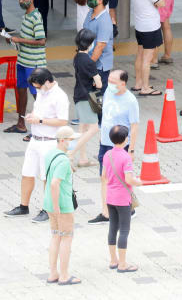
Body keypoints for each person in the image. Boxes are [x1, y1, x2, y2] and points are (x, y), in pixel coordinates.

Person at [4, 67, 70, 223]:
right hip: (35, 139)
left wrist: (40, 120)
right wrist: (33, 117)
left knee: (47, 177)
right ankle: (23, 206)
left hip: (50, 141)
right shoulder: (41, 92)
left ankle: (48, 209)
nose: (37, 89)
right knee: (27, 173)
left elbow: (63, 121)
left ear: (47, 82)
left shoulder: (60, 96)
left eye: (38, 86)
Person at [87, 70, 139, 228]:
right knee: (104, 177)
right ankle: (106, 212)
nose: (110, 83)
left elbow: (134, 126)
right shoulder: (109, 91)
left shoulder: (130, 101)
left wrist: (131, 151)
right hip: (105, 143)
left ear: (123, 83)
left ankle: (123, 208)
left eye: (113, 81)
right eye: (109, 80)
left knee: (120, 178)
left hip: (121, 145)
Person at [5, 0, 47, 135]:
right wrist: (13, 41)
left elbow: (41, 41)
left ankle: (42, 128)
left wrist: (19, 39)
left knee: (37, 95)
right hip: (23, 61)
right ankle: (21, 124)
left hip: (34, 63)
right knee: (21, 91)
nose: (21, 1)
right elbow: (26, 39)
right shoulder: (25, 16)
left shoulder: (36, 17)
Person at [102, 124, 142, 273]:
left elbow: (104, 176)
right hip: (123, 198)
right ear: (125, 139)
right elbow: (129, 179)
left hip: (110, 196)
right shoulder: (126, 157)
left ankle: (113, 260)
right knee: (124, 230)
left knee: (113, 227)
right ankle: (123, 263)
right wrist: (139, 181)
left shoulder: (107, 155)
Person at [44, 126, 79, 285]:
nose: (73, 142)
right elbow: (54, 183)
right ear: (63, 140)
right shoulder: (63, 160)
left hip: (49, 203)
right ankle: (64, 275)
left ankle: (53, 273)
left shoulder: (51, 154)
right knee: (67, 238)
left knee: (55, 235)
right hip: (62, 205)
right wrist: (58, 206)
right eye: (71, 139)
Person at [131, 0, 164, 96]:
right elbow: (161, 3)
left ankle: (138, 83)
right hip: (150, 28)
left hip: (140, 27)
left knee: (140, 55)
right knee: (147, 59)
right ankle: (145, 88)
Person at [71, 28, 101, 165]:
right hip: (87, 97)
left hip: (78, 94)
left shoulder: (77, 57)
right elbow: (99, 84)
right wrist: (97, 81)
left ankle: (83, 159)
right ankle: (70, 152)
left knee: (82, 128)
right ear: (89, 44)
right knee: (94, 128)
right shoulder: (89, 62)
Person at [83, 0, 114, 93]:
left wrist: (88, 65)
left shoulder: (104, 21)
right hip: (89, 61)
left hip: (99, 66)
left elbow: (100, 46)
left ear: (100, 1)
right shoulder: (90, 13)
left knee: (98, 99)